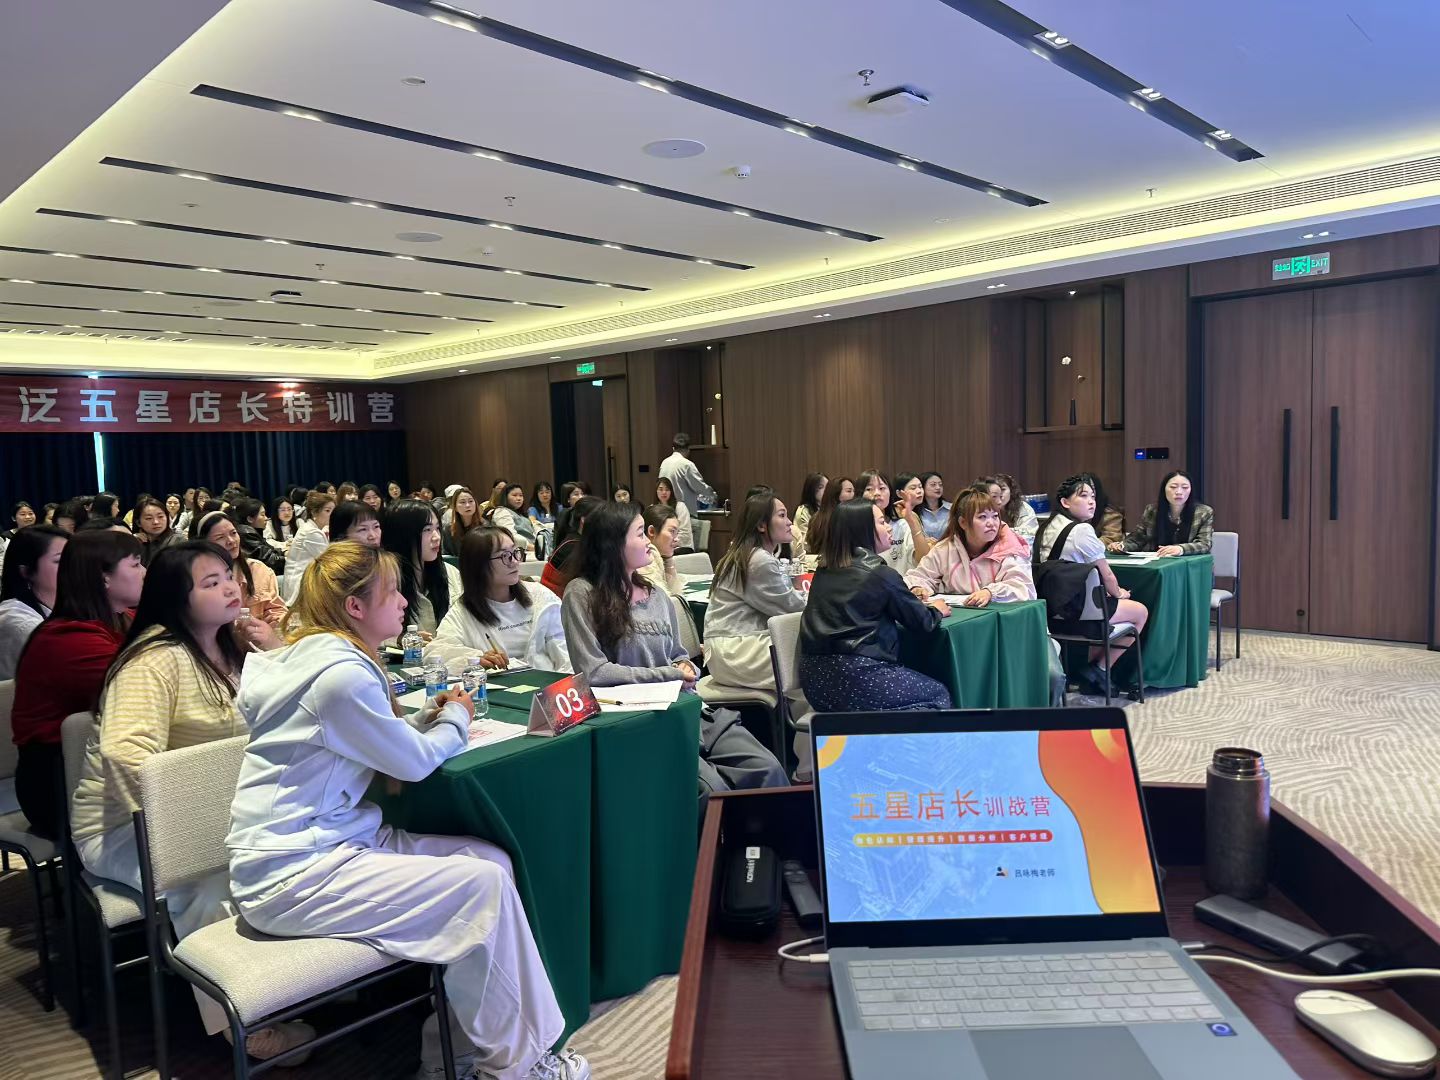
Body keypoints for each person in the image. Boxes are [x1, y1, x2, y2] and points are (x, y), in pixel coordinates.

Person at [226, 542, 589, 1080]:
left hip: (324, 846)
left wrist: (423, 718)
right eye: (392, 592)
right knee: (480, 887)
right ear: (355, 607)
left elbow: (365, 737)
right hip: (291, 872)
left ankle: (452, 1055)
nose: (403, 602)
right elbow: (413, 764)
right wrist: (457, 718)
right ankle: (520, 1066)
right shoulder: (337, 674)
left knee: (490, 861)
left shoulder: (319, 658)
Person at [70, 542, 305, 1059]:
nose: (231, 588)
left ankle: (297, 981)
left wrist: (275, 645)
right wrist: (191, 834)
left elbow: (290, 708)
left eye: (229, 576)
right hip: (122, 826)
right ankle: (245, 1023)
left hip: (221, 811)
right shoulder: (154, 660)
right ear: (176, 598)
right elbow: (126, 757)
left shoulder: (228, 644)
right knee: (204, 878)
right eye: (211, 583)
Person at [561, 503, 786, 794]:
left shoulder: (656, 594)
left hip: (689, 709)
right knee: (711, 789)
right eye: (640, 534)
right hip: (639, 722)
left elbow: (679, 655)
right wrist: (670, 674)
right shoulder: (582, 594)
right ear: (613, 543)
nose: (648, 542)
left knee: (768, 768)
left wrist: (685, 667)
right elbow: (594, 672)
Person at [11, 530, 142, 838]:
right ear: (104, 578)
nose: (145, 573)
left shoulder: (121, 618)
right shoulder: (68, 639)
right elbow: (139, 690)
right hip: (58, 783)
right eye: (136, 564)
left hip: (97, 769)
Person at [799, 500, 952, 711]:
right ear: (863, 530)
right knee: (938, 694)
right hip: (857, 676)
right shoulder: (879, 573)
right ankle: (882, 731)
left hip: (814, 683)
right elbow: (923, 622)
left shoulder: (824, 570)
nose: (889, 527)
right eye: (881, 522)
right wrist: (936, 609)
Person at [1036, 475, 1150, 690]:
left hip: (1050, 614)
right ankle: (1100, 668)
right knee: (1140, 612)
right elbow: (1107, 575)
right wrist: (1119, 593)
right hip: (1077, 613)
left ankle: (1091, 675)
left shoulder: (1046, 526)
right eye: (1083, 496)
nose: (1091, 502)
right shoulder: (1081, 530)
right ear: (1065, 502)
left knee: (1101, 605)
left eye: (1093, 497)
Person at [704, 494, 807, 694]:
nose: (789, 522)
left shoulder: (751, 554)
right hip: (734, 651)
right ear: (761, 525)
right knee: (817, 654)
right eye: (782, 515)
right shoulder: (758, 560)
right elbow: (791, 608)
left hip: (733, 646)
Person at [431, 527, 570, 672]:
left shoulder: (540, 597)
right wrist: (476, 658)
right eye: (505, 555)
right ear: (478, 564)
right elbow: (435, 651)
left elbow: (566, 654)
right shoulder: (464, 612)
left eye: (515, 552)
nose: (514, 561)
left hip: (548, 681)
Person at [905, 486, 1036, 605]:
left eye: (995, 516)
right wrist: (917, 588)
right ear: (963, 523)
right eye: (982, 517)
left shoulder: (1009, 547)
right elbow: (920, 576)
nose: (991, 523)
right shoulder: (945, 549)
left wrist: (990, 592)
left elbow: (1024, 587)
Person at [194, 511, 289, 630]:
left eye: (233, 533)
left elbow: (277, 610)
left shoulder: (258, 570)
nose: (231, 541)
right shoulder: (200, 580)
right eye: (220, 537)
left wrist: (272, 625)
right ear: (205, 544)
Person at [382, 499, 460, 636]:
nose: (436, 537)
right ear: (403, 535)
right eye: (427, 530)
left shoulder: (450, 572)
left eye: (437, 528)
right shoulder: (382, 581)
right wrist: (401, 640)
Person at [0, 524, 67, 680]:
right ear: (26, 571)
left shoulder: (66, 605)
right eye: (60, 560)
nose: (72, 566)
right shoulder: (19, 622)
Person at [1113, 470, 1215, 556]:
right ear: (1164, 489)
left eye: (1185, 487)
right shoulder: (1152, 510)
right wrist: (1122, 546)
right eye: (1173, 487)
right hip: (1157, 562)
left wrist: (1180, 549)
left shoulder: (1203, 512)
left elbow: (1204, 544)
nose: (1179, 492)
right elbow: (1137, 539)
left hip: (1189, 565)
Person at [859, 469, 932, 574]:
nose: (876, 493)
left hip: (902, 582)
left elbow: (924, 560)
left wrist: (912, 522)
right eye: (869, 489)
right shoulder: (854, 525)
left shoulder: (902, 524)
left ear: (890, 492)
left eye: (882, 488)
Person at [542, 495, 602, 599]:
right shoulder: (574, 546)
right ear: (584, 520)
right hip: (556, 603)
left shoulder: (577, 540)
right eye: (601, 518)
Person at [282, 489, 335, 605]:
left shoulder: (310, 528)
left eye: (333, 510)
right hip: (301, 587)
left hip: (305, 582)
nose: (332, 514)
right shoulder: (312, 532)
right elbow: (330, 562)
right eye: (327, 510)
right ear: (314, 512)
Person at [658, 433, 717, 513]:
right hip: (683, 513)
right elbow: (700, 487)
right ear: (688, 449)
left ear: (673, 448)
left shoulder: (664, 463)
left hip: (666, 510)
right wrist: (712, 495)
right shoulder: (687, 465)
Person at [803, 475, 855, 562]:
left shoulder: (816, 517)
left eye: (854, 491)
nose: (854, 494)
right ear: (836, 494)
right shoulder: (843, 518)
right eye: (849, 491)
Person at [979, 473, 1038, 545]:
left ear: (1011, 491)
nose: (1000, 494)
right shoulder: (985, 507)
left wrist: (1002, 531)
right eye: (995, 493)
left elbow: (1029, 534)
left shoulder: (1022, 507)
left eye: (1003, 489)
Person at [233, 497, 286, 576]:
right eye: (262, 515)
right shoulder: (246, 534)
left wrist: (284, 552)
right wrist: (289, 559)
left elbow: (268, 550)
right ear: (250, 519)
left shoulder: (252, 531)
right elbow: (270, 560)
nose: (266, 518)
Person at [638, 503, 683, 595]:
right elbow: (663, 599)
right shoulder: (644, 558)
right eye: (672, 531)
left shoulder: (662, 556)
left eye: (677, 533)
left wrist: (669, 560)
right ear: (652, 531)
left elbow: (676, 594)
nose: (677, 539)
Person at [491, 484, 538, 556]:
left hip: (531, 551)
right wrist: (533, 548)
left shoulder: (521, 514)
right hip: (515, 553)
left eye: (521, 495)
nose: (519, 498)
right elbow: (510, 535)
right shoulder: (501, 511)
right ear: (505, 497)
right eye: (514, 495)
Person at [134, 496, 181, 566]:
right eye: (149, 518)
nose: (156, 522)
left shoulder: (177, 540)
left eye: (160, 516)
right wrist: (131, 541)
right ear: (138, 523)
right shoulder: (136, 541)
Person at [652, 476, 694, 554]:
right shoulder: (652, 509)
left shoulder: (680, 507)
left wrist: (667, 543)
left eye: (667, 489)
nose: (664, 492)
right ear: (656, 491)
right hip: (659, 548)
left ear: (671, 492)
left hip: (680, 547)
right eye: (661, 489)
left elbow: (685, 534)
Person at [1083, 472, 1125, 547]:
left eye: (1092, 489)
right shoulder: (1070, 511)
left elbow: (1111, 539)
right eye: (1083, 493)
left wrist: (1083, 544)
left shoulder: (1110, 513)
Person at [790, 473, 826, 558]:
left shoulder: (831, 508)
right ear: (811, 490)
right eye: (821, 487)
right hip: (809, 557)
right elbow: (804, 544)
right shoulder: (803, 511)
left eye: (828, 487)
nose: (826, 490)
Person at [442, 486, 481, 557]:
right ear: (455, 507)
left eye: (471, 501)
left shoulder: (485, 527)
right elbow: (446, 556)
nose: (467, 505)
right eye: (462, 502)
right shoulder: (448, 530)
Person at [917, 472, 950, 541]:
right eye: (933, 485)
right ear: (922, 487)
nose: (938, 487)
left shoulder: (951, 508)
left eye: (940, 485)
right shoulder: (916, 510)